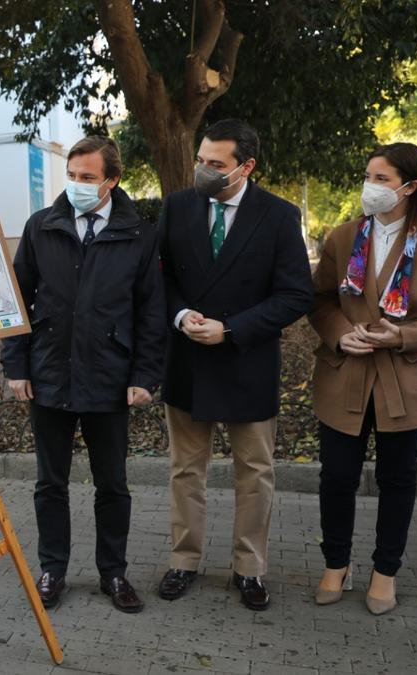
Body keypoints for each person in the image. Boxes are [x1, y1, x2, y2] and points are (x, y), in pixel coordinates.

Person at [0, 136, 166, 613]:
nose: (76, 184)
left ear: (112, 180)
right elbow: (16, 300)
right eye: (72, 175)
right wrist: (16, 365)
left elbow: (151, 312)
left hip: (110, 378)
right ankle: (52, 569)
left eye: (88, 177)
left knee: (112, 485)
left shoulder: (138, 234)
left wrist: (144, 376)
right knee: (49, 484)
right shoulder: (41, 227)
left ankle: (113, 573)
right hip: (49, 373)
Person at [309, 143, 417, 615]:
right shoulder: (343, 236)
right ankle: (336, 564)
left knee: (397, 479)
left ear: (410, 186)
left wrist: (401, 335)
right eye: (368, 177)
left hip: (405, 381)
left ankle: (385, 571)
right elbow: (319, 300)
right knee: (336, 477)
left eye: (381, 179)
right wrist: (341, 334)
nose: (371, 187)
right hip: (345, 375)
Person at [156, 119, 313, 611]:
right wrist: (181, 315)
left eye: (216, 164)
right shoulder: (178, 206)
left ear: (246, 167)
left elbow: (295, 294)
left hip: (247, 360)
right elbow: (157, 278)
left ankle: (249, 569)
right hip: (188, 361)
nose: (203, 170)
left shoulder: (278, 216)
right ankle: (184, 560)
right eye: (201, 160)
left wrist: (231, 328)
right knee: (185, 471)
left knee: (255, 473)